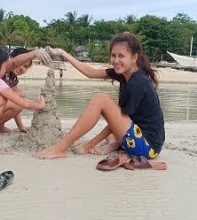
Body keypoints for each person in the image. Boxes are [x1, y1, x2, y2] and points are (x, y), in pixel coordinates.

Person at [35, 32, 167, 170]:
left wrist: (90, 144)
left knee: (101, 99)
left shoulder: (137, 83)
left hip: (147, 148)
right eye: (113, 55)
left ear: (134, 57)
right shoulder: (125, 72)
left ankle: (60, 148)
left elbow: (114, 123)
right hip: (139, 137)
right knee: (109, 110)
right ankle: (113, 144)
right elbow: (90, 73)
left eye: (121, 56)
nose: (116, 60)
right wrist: (64, 54)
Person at [0, 47, 37, 133]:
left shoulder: (13, 78)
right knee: (20, 97)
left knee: (20, 97)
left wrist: (21, 126)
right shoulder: (2, 71)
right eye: (20, 63)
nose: (21, 68)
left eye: (25, 66)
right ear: (11, 58)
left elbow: (15, 104)